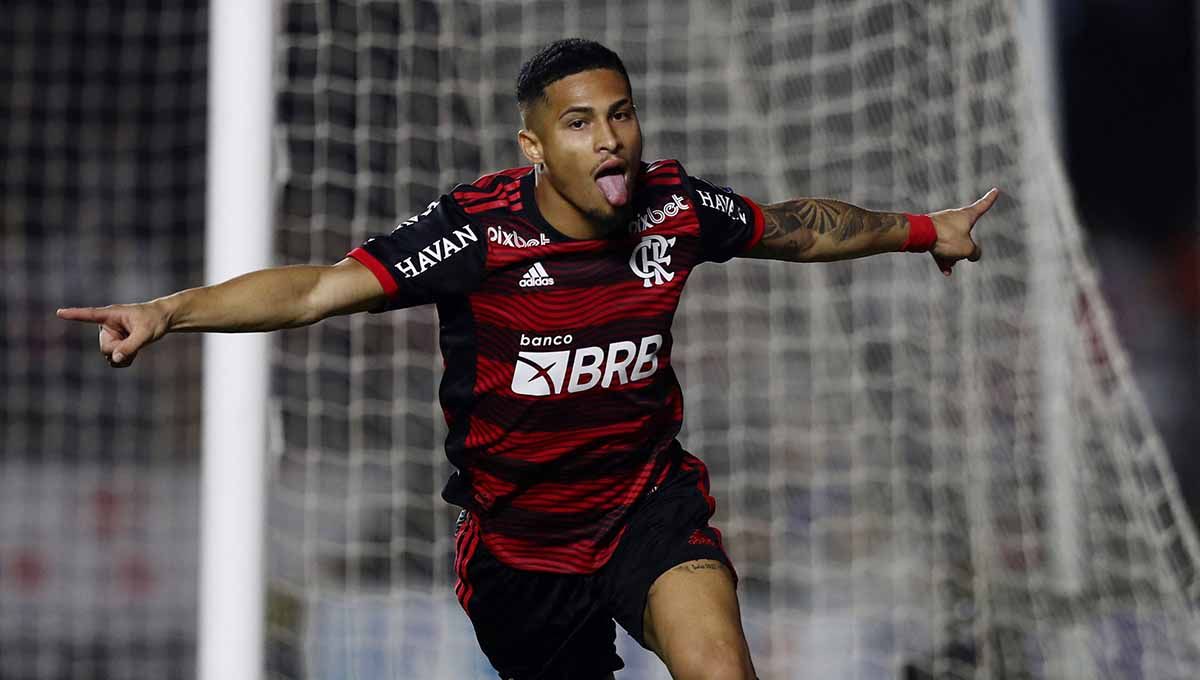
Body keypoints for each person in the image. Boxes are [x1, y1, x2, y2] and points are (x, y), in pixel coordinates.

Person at [58, 38, 997, 680]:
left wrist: (926, 230)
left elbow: (793, 228)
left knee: (719, 668)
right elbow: (313, 291)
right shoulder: (477, 233)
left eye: (621, 115)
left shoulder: (673, 208)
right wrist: (169, 311)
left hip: (646, 510)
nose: (612, 139)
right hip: (520, 555)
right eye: (581, 123)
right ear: (536, 146)